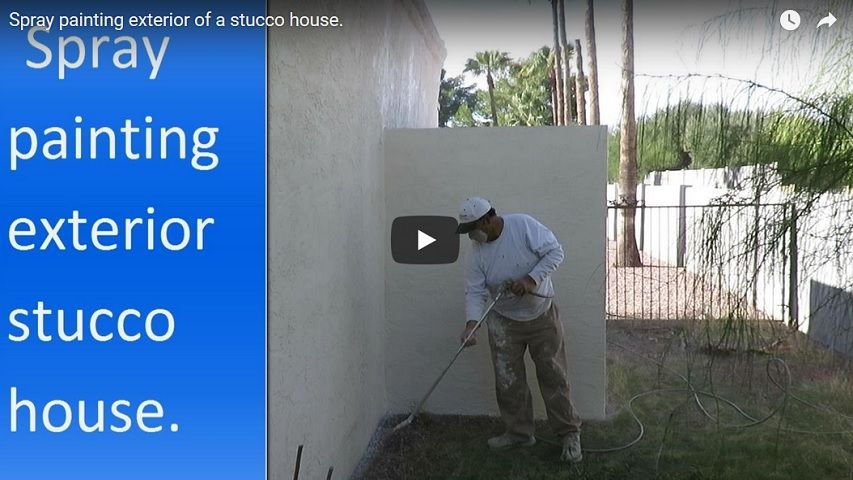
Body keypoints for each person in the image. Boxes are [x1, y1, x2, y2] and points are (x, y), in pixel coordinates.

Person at [455, 196, 583, 463]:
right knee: (508, 380)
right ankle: (519, 433)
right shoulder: (476, 253)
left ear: (489, 219)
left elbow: (555, 252)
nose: (472, 236)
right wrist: (471, 324)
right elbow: (475, 291)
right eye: (467, 232)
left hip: (541, 316)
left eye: (474, 229)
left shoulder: (522, 226)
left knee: (554, 376)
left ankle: (569, 434)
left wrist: (531, 279)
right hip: (503, 321)